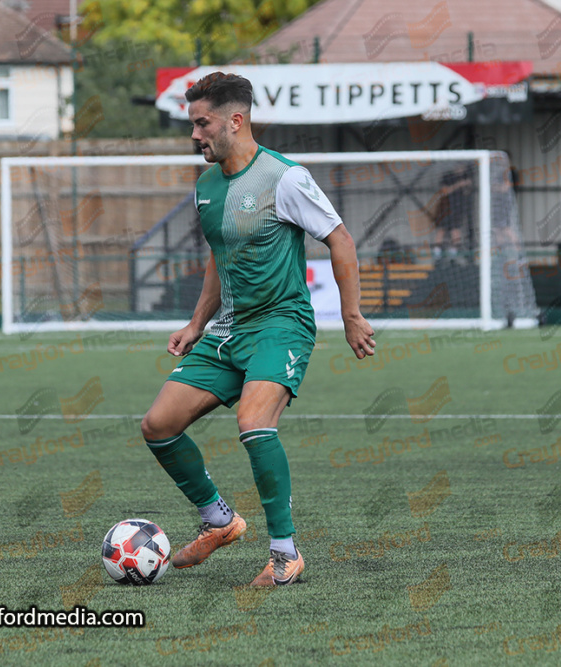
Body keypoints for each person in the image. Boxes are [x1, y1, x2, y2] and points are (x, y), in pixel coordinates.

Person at [139, 73, 375, 587]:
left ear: (235, 120)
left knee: (254, 422)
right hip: (226, 332)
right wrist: (197, 323)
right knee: (157, 425)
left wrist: (352, 316)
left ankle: (286, 553)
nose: (195, 135)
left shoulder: (284, 178)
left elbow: (341, 241)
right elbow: (218, 256)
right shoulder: (205, 186)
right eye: (192, 124)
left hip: (280, 326)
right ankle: (220, 520)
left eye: (202, 123)